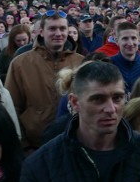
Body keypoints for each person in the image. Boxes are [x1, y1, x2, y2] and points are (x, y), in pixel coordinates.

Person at [5, 11, 84, 150]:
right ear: (41, 32)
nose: (58, 33)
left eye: (62, 28)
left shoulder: (81, 62)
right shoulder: (20, 63)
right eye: (52, 28)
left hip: (74, 144)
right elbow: (12, 108)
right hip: (34, 146)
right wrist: (23, 146)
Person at [110, 21, 140, 95]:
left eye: (133, 38)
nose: (130, 43)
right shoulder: (108, 65)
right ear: (117, 41)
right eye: (125, 39)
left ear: (139, 40)